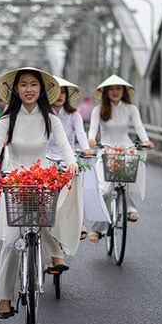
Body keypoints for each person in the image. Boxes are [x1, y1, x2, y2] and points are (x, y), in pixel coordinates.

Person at [0, 67, 80, 319]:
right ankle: (5, 296)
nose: (29, 89)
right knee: (11, 241)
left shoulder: (51, 119)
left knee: (46, 221)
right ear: (16, 90)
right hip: (15, 181)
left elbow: (64, 145)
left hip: (42, 177)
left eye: (33, 85)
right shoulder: (7, 119)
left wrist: (71, 162)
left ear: (42, 89)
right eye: (23, 85)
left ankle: (54, 254)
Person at [87, 75, 155, 232]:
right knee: (104, 190)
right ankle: (97, 229)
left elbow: (139, 127)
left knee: (129, 175)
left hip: (126, 147)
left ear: (124, 91)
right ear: (105, 92)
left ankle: (131, 208)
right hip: (106, 149)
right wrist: (90, 140)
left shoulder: (131, 109)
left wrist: (146, 140)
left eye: (118, 88)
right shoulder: (98, 110)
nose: (115, 92)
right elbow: (92, 128)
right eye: (111, 89)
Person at [47, 76, 99, 241]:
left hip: (68, 156)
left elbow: (81, 133)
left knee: (77, 185)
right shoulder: (43, 114)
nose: (60, 95)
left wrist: (86, 148)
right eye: (57, 91)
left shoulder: (73, 114)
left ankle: (79, 222)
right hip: (46, 155)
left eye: (64, 92)